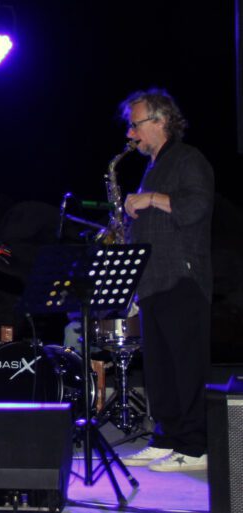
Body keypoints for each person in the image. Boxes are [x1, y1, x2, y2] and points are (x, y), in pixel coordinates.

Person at [117, 89, 213, 472]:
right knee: (160, 370)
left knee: (187, 367)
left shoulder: (188, 159)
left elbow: (197, 207)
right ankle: (166, 438)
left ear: (160, 121)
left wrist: (151, 198)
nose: (130, 133)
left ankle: (195, 447)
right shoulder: (153, 167)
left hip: (181, 279)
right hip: (153, 282)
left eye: (135, 124)